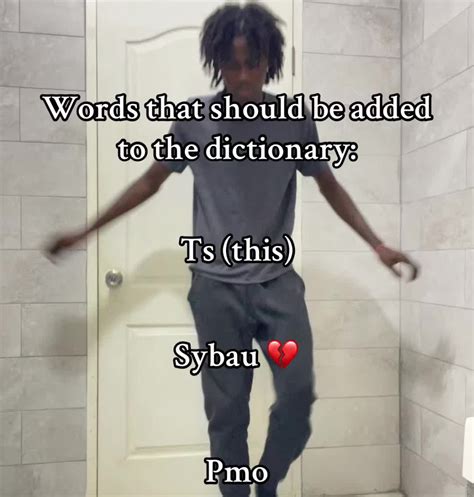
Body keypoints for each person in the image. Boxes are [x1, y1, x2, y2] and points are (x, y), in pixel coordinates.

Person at [44, 3, 420, 497]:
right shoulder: (194, 121)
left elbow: (328, 184)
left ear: (270, 62)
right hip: (216, 291)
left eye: (253, 63)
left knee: (297, 398)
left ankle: (265, 484)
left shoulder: (294, 122)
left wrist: (377, 244)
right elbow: (149, 182)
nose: (242, 76)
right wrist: (86, 231)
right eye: (232, 64)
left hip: (277, 287)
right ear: (217, 62)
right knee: (226, 414)